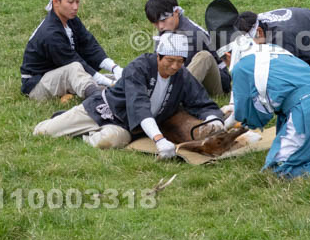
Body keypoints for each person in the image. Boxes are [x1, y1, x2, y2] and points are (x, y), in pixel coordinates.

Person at [33, 33, 226, 160]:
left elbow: (202, 101)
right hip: (103, 108)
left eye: (180, 62)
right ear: (158, 56)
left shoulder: (181, 76)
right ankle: (66, 119)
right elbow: (139, 106)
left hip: (127, 126)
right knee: (42, 133)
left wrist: (214, 120)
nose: (175, 66)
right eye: (170, 60)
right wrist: (159, 139)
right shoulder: (139, 68)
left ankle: (84, 134)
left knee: (106, 142)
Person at [224, 35, 310, 182]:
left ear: (228, 55)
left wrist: (227, 124)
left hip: (306, 112)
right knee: (302, 156)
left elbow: (253, 115)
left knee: (277, 172)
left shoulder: (242, 67)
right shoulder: (274, 49)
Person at [20, 0, 123, 101]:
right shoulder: (50, 33)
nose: (75, 7)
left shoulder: (71, 20)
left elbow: (90, 46)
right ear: (56, 2)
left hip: (60, 74)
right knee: (75, 67)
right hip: (36, 85)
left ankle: (116, 87)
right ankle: (98, 97)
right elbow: (72, 62)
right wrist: (108, 83)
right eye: (71, 2)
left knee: (115, 79)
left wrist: (115, 68)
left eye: (78, 2)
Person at [144, 0, 230, 97]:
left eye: (163, 20)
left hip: (216, 83)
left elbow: (178, 70)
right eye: (155, 22)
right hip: (190, 78)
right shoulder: (167, 28)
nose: (160, 26)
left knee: (204, 57)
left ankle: (173, 99)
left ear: (176, 12)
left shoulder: (191, 35)